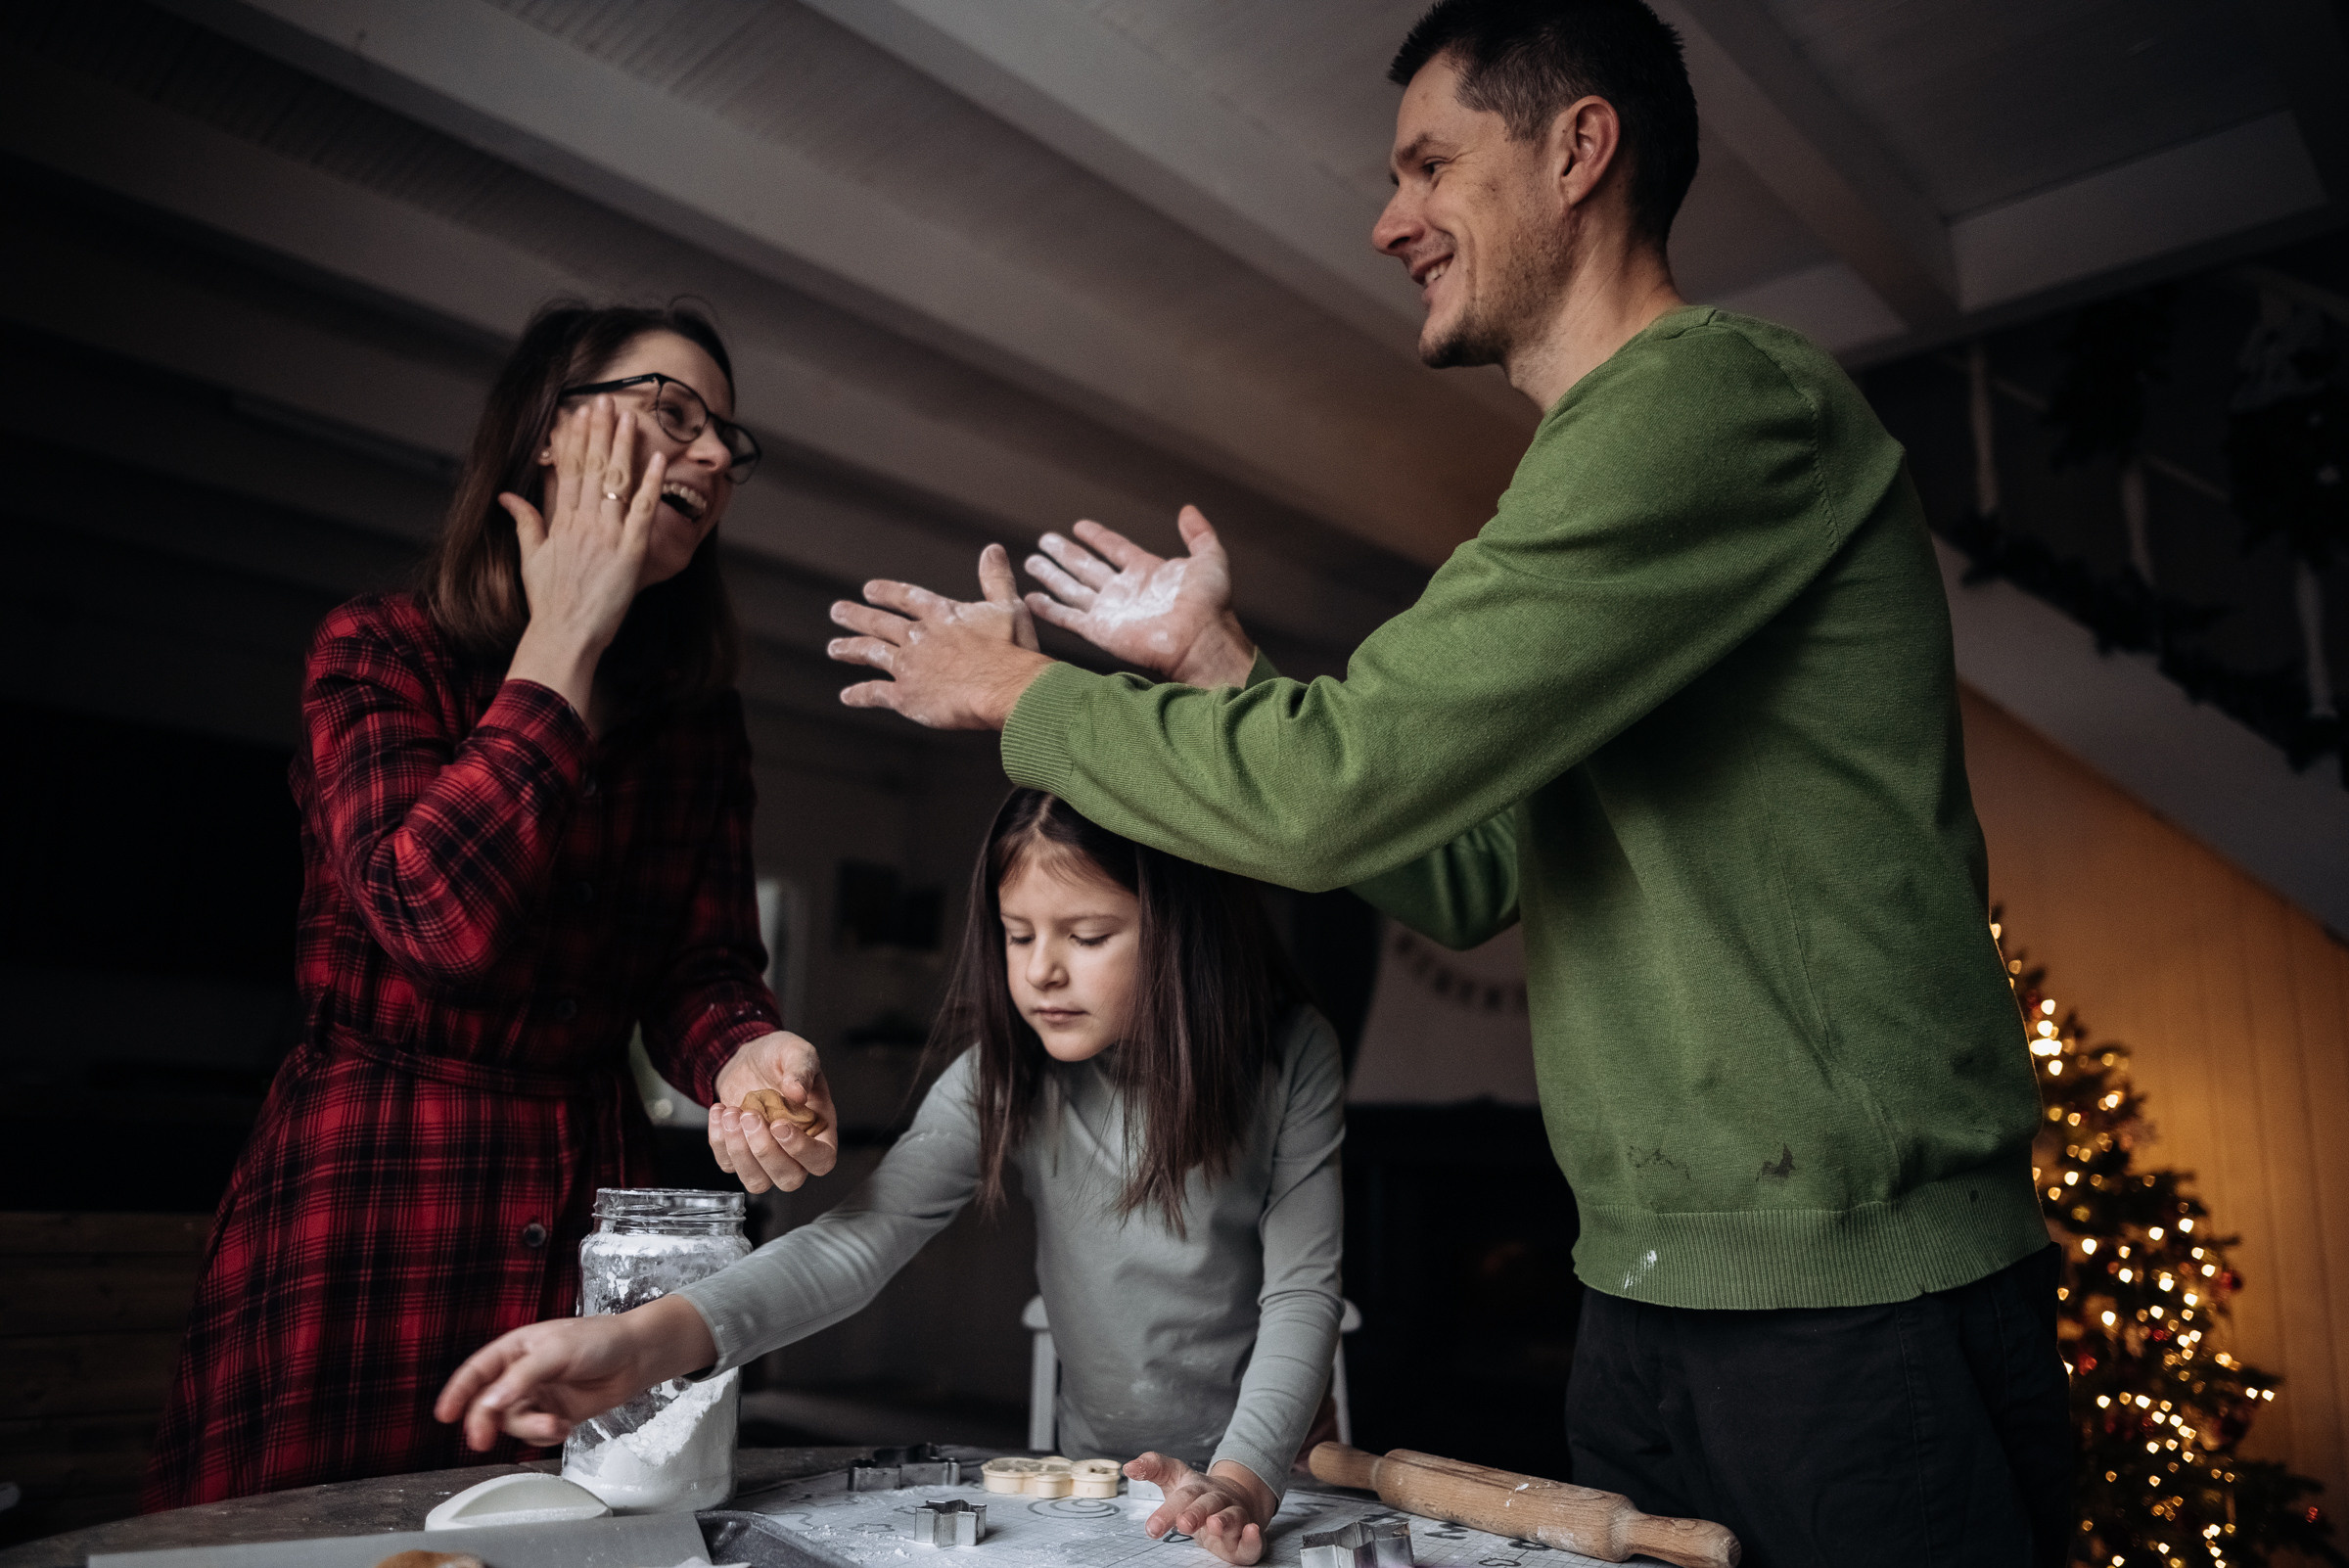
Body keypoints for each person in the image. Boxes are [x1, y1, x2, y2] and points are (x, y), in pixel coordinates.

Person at [817, 1, 2070, 1564]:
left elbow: (1341, 790)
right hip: (1657, 1283)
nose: (1386, 218)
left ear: (1577, 150)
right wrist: (1223, 670)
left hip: (1852, 1292)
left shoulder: (1713, 403)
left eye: (1429, 164)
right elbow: (1464, 869)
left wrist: (1018, 692)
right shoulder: (1589, 478)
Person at [143, 303, 840, 1509]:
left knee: (569, 1532)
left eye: (729, 438)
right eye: (674, 414)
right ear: (550, 430)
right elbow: (433, 921)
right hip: (367, 1193)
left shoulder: (695, 721)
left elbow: (702, 966)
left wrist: (748, 1053)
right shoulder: (380, 650)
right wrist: (565, 635)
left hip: (585, 1199)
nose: (718, 457)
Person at [438, 789, 1345, 1566]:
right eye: (1016, 932)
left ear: (1181, 927)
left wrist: (1242, 1478)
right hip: (1097, 1480)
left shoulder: (1289, 1053)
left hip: (1271, 1474)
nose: (1041, 971)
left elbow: (1303, 1292)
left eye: (1090, 933)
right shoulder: (1003, 1073)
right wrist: (642, 1346)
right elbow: (856, 1242)